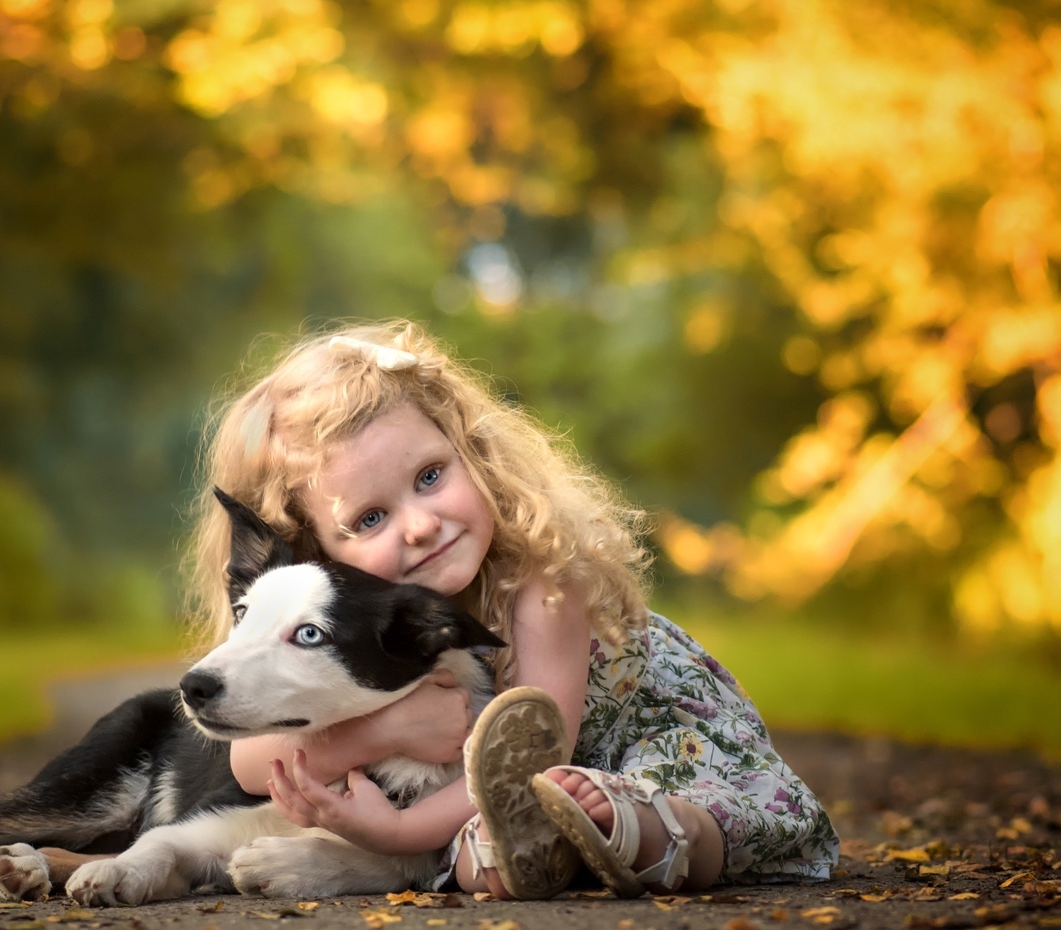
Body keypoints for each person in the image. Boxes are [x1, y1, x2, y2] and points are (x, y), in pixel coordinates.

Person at [181, 320, 838, 898]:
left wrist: (401, 830)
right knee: (477, 856)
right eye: (371, 517)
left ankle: (640, 832)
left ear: (470, 450)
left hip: (634, 749)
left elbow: (531, 758)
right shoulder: (344, 626)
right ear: (313, 550)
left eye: (431, 477)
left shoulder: (540, 580)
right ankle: (539, 855)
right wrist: (386, 732)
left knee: (672, 815)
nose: (419, 526)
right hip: (492, 799)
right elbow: (251, 762)